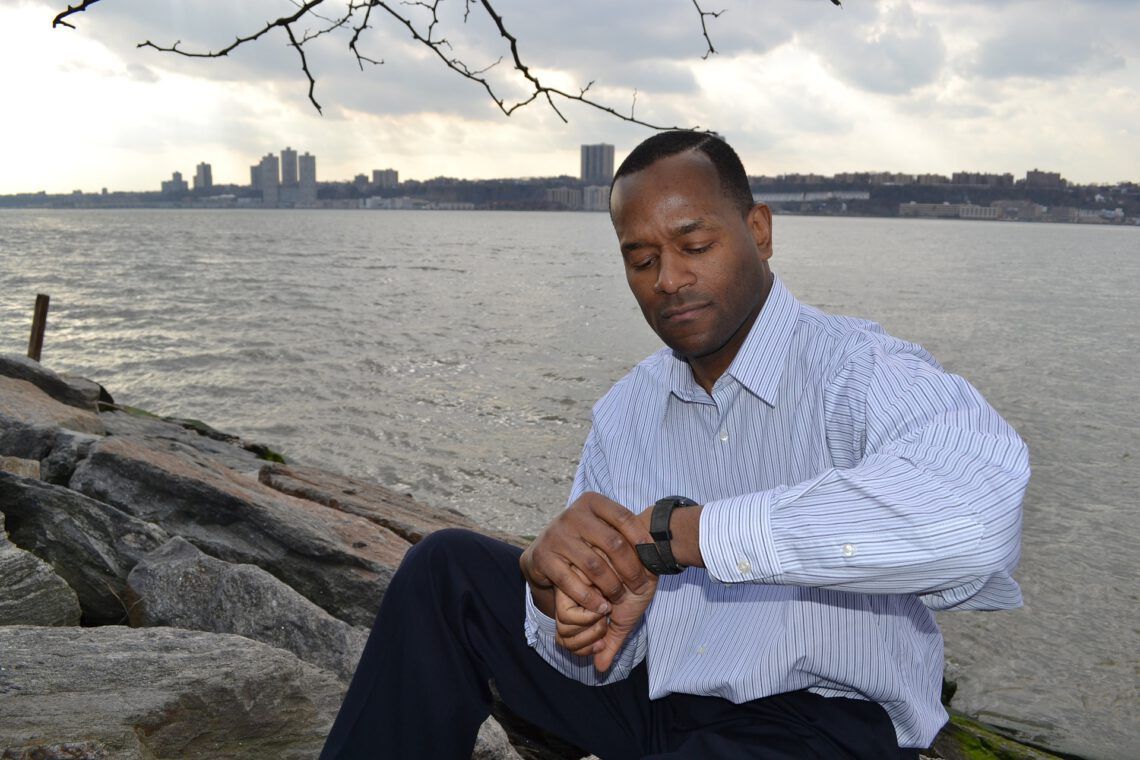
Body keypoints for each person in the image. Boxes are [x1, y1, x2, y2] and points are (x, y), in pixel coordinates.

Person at [320, 131, 1028, 759]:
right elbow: (594, 659)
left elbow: (977, 515)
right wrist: (558, 607)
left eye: (694, 245)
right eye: (641, 260)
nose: (668, 280)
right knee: (447, 570)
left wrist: (681, 536)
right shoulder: (627, 410)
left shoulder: (860, 371)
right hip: (655, 703)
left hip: (824, 725)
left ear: (760, 230)